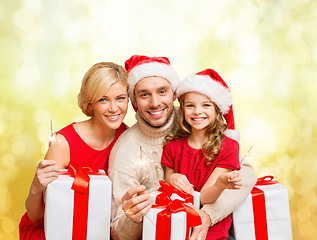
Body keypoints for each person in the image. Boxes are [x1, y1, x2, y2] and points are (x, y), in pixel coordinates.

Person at [108, 55, 257, 240]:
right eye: (144, 94)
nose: (155, 103)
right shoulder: (126, 149)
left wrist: (208, 215)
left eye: (162, 92)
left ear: (174, 94)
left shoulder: (195, 120)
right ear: (134, 101)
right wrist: (134, 218)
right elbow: (117, 231)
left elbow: (246, 174)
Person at [19, 62, 129, 240]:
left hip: (96, 226)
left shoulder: (127, 136)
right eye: (103, 99)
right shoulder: (63, 143)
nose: (114, 108)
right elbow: (35, 216)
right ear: (90, 103)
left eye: (120, 98)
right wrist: (35, 187)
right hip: (55, 227)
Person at [162, 68, 242, 240]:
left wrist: (220, 184)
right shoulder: (172, 146)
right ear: (182, 109)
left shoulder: (229, 147)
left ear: (217, 110)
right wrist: (173, 177)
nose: (197, 111)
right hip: (175, 229)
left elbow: (204, 197)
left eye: (206, 105)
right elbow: (166, 180)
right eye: (190, 105)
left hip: (213, 234)